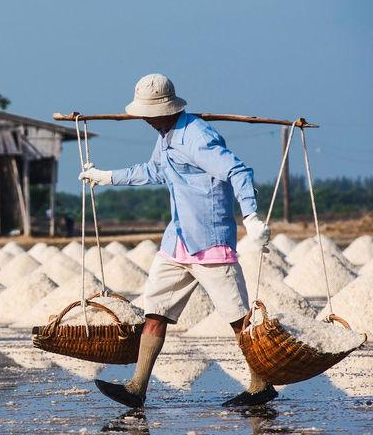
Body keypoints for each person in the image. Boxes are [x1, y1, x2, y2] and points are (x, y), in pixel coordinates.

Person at [79, 74, 272, 408]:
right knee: (154, 313)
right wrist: (106, 176)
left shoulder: (196, 136)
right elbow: (154, 171)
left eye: (148, 113)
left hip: (210, 241)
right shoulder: (165, 134)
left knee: (238, 318)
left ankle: (261, 384)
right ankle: (136, 389)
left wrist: (251, 217)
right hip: (178, 240)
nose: (145, 120)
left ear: (165, 108)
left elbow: (238, 171)